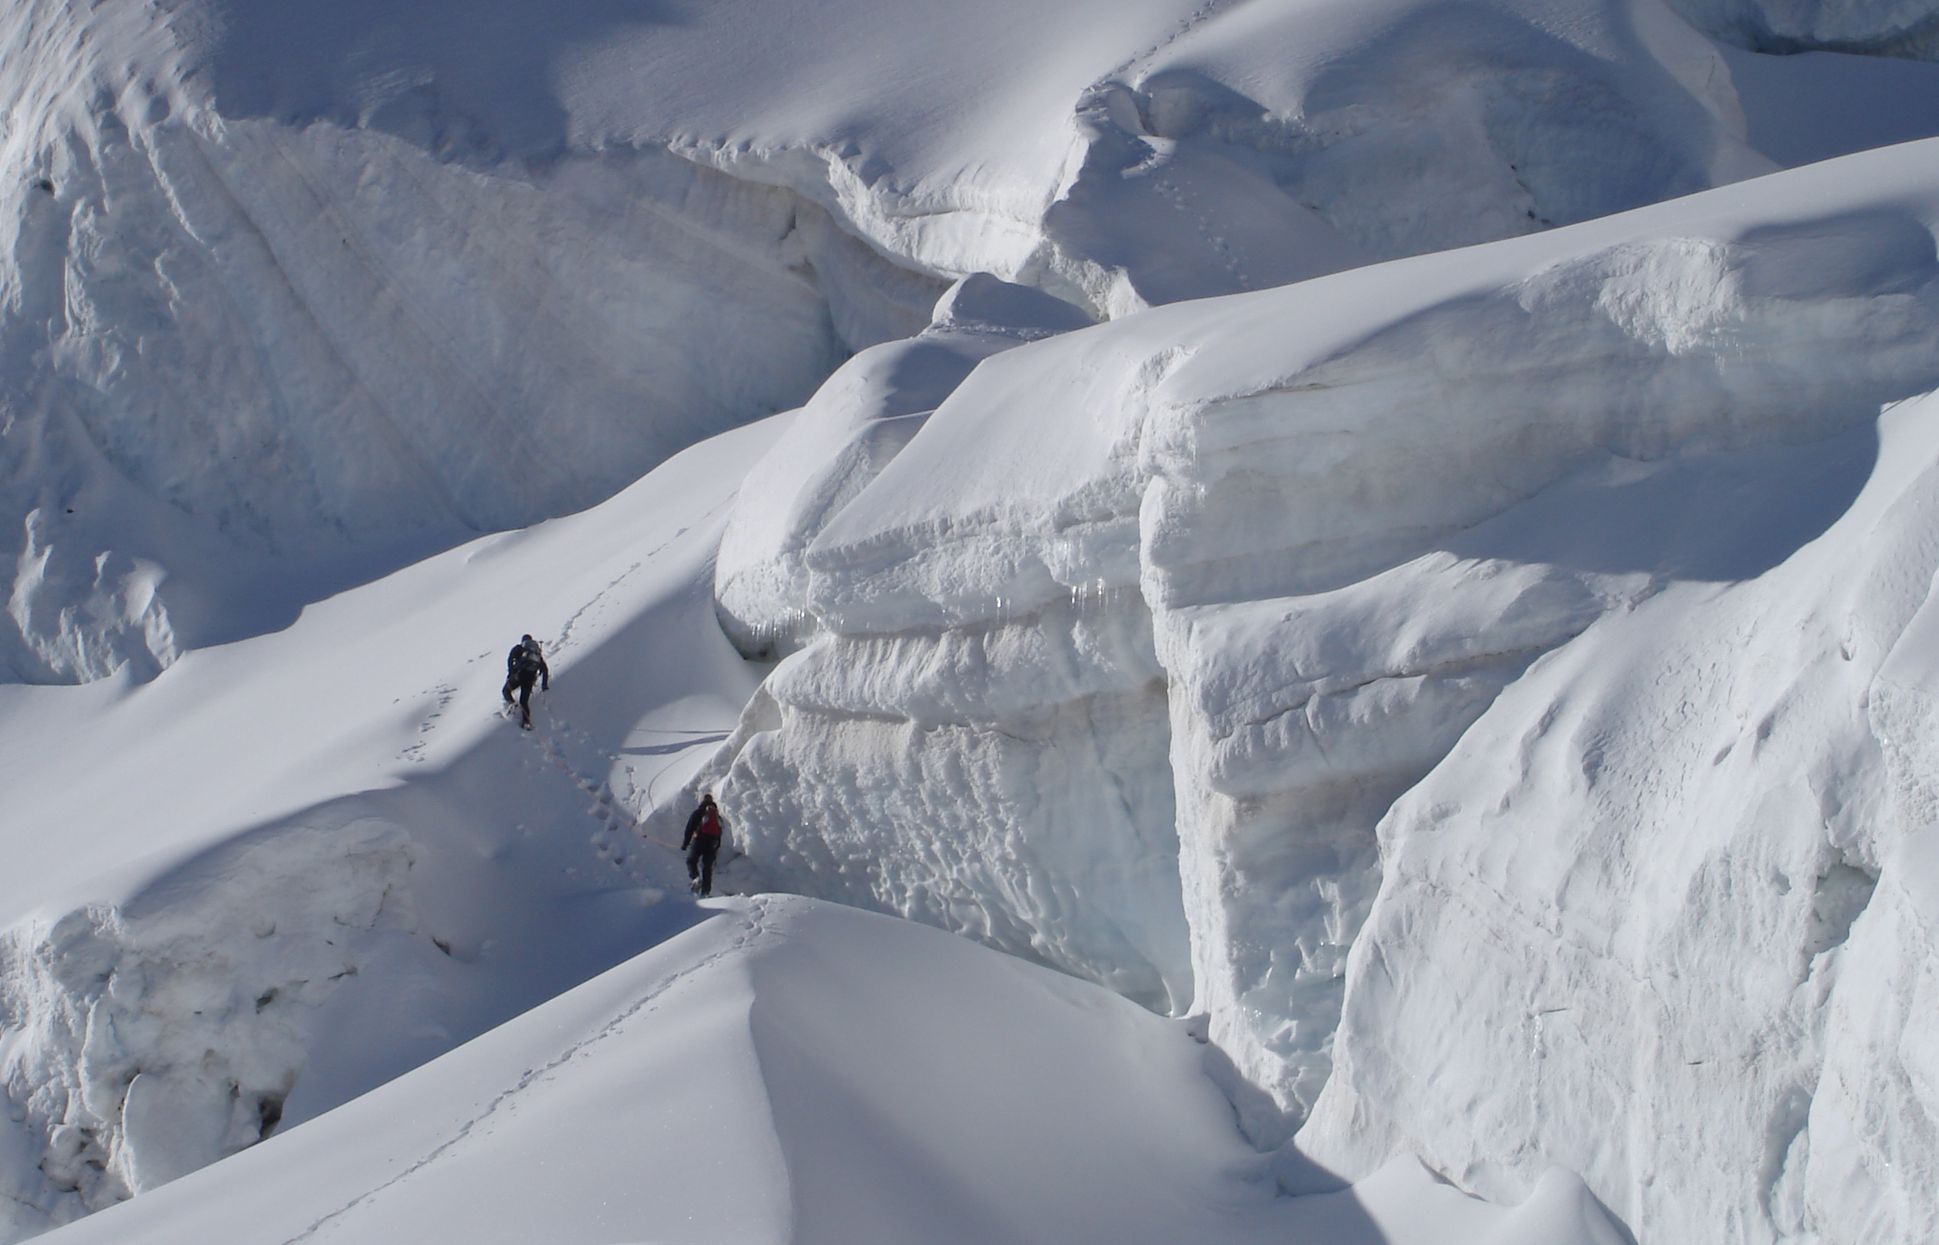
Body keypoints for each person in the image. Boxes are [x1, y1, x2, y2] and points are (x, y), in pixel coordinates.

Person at [502, 634, 549, 729]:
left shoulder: (519, 648)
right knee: (524, 701)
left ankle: (513, 705)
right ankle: (526, 722)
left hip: (518, 675)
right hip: (530, 678)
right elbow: (545, 670)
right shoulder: (536, 654)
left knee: (506, 691)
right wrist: (544, 685)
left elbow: (510, 658)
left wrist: (511, 673)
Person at [682, 794, 725, 897]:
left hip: (699, 841)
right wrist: (716, 849)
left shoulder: (699, 812)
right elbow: (719, 834)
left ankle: (696, 878)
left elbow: (689, 828)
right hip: (712, 843)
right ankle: (705, 892)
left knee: (691, 860)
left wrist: (685, 844)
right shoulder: (717, 817)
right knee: (707, 867)